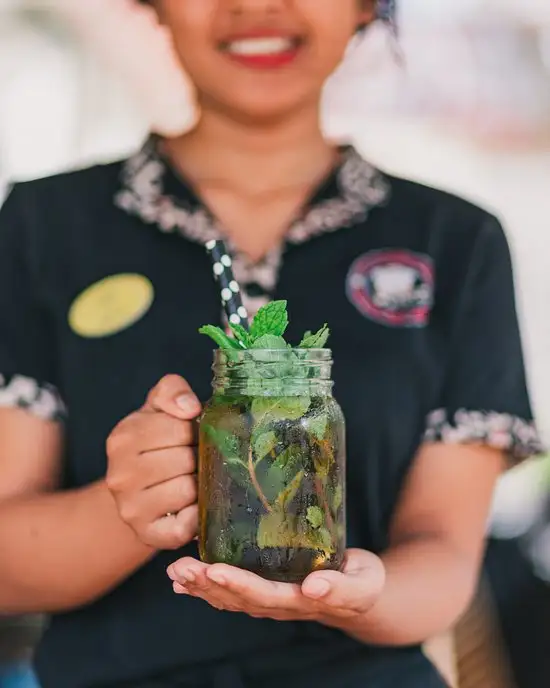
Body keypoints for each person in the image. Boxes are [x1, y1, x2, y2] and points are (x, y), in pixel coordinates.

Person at [0, 1, 544, 687]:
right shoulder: (41, 226)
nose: (256, 6)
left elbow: (441, 559)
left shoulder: (457, 243)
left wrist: (362, 592)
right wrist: (127, 505)